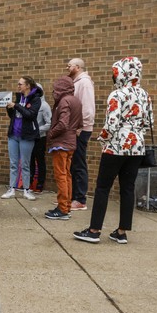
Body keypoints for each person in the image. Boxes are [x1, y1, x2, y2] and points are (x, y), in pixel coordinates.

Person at [74, 57, 154, 244]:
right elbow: (150, 122)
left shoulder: (117, 94)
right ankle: (121, 231)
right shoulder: (145, 95)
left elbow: (112, 123)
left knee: (103, 188)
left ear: (122, 74)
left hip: (115, 147)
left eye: (115, 72)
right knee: (127, 188)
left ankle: (94, 231)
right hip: (137, 148)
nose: (113, 75)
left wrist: (102, 138)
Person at [45, 76, 83, 220]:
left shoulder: (64, 101)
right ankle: (65, 207)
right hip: (71, 142)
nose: (54, 90)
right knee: (67, 175)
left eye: (56, 87)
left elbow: (62, 124)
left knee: (61, 176)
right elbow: (80, 123)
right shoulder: (76, 101)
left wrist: (50, 134)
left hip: (61, 143)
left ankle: (62, 209)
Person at [2, 76, 42, 201]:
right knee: (13, 163)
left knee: (25, 164)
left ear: (28, 85)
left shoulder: (36, 99)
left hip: (27, 136)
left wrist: (17, 106)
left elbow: (30, 115)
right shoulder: (19, 97)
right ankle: (12, 189)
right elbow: (15, 115)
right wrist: (9, 109)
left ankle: (26, 189)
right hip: (14, 134)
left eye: (20, 84)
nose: (18, 86)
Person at [67, 58, 95, 211]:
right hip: (75, 129)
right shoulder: (77, 82)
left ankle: (80, 199)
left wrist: (81, 127)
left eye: (69, 65)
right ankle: (72, 197)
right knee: (73, 163)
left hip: (81, 130)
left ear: (77, 67)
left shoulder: (84, 83)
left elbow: (88, 108)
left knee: (79, 164)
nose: (67, 67)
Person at [29, 83, 52, 194]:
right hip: (29, 138)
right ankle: (29, 182)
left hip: (40, 138)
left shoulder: (44, 105)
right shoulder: (29, 104)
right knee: (30, 161)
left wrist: (37, 130)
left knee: (40, 160)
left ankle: (40, 183)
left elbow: (49, 123)